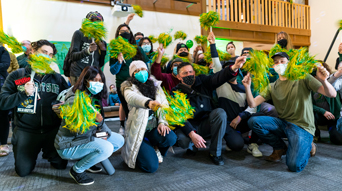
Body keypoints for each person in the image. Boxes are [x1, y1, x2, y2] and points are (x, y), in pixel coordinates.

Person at [244, 52, 336, 172]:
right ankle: (279, 148)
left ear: (289, 63)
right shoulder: (272, 86)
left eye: (282, 61)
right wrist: (247, 87)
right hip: (283, 124)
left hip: (302, 127)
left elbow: (332, 94)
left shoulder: (303, 78)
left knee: (294, 166)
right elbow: (252, 104)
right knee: (254, 121)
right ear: (273, 67)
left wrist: (324, 80)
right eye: (276, 62)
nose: (279, 64)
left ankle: (309, 145)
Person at [0, 40, 69, 176]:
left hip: (51, 130)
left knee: (61, 166)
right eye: (44, 52)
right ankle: (31, 153)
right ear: (33, 51)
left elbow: (68, 99)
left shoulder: (57, 78)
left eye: (50, 54)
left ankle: (48, 152)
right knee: (23, 171)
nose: (47, 56)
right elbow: (3, 103)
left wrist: (64, 107)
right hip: (26, 130)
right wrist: (22, 94)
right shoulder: (18, 76)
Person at [55, 66, 124, 185]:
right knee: (106, 148)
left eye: (100, 80)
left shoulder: (92, 95)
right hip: (69, 144)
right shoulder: (74, 99)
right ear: (85, 80)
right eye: (94, 80)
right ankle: (77, 170)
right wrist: (97, 127)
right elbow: (77, 130)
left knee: (119, 140)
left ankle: (88, 163)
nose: (98, 83)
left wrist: (106, 133)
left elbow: (100, 122)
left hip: (88, 137)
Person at [173, 54, 246, 165]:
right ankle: (193, 144)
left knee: (220, 112)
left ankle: (215, 153)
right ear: (178, 77)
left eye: (191, 72)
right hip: (190, 126)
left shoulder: (202, 81)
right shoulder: (175, 92)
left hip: (207, 122)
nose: (189, 75)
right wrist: (192, 134)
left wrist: (234, 67)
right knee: (183, 141)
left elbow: (218, 77)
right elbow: (179, 118)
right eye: (185, 73)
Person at [208, 32, 262, 157]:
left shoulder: (245, 86)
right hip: (227, 123)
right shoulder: (221, 85)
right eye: (229, 69)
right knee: (237, 145)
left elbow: (253, 107)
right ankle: (233, 139)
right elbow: (216, 65)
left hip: (240, 120)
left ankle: (252, 143)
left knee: (259, 118)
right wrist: (212, 45)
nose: (232, 71)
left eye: (235, 68)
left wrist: (240, 117)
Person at [121, 60, 177, 173]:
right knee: (151, 167)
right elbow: (132, 98)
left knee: (171, 137)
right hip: (138, 132)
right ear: (132, 75)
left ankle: (156, 148)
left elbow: (164, 104)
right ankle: (143, 152)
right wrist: (149, 103)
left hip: (153, 129)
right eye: (136, 71)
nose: (140, 73)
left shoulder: (156, 85)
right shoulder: (128, 87)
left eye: (142, 69)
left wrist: (162, 122)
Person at [109, 23, 149, 136]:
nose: (125, 33)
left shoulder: (137, 48)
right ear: (118, 34)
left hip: (138, 83)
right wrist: (119, 62)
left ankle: (141, 133)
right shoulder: (115, 50)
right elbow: (113, 71)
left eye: (127, 31)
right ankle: (129, 132)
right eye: (121, 31)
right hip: (122, 84)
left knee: (140, 107)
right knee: (127, 109)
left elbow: (146, 64)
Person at [69, 11, 107, 85]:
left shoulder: (101, 42)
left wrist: (103, 51)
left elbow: (101, 64)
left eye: (97, 22)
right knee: (78, 96)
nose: (94, 24)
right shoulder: (79, 33)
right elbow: (72, 56)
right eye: (92, 21)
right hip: (78, 74)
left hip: (93, 75)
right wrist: (88, 51)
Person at [311, 63, 342, 144]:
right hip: (318, 116)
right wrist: (322, 111)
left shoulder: (333, 84)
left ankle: (333, 131)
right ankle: (315, 134)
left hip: (334, 117)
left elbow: (332, 81)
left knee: (338, 140)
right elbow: (307, 105)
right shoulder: (310, 87)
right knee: (309, 112)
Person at [0, 45, 11, 157]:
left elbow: (5, 65)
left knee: (2, 116)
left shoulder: (3, 51)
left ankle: (3, 143)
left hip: (1, 87)